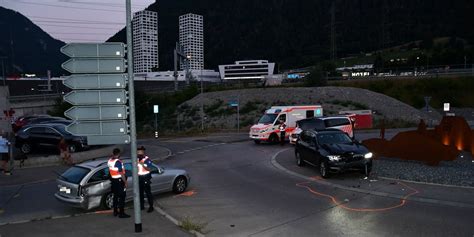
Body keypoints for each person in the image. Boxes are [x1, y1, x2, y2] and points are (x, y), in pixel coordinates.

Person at [108, 148, 130, 218]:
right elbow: (121, 173)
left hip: (114, 181)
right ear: (119, 154)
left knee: (115, 196)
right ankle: (121, 213)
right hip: (119, 181)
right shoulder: (118, 162)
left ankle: (115, 212)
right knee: (122, 197)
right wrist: (125, 182)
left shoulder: (110, 161)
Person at [137, 146, 154, 213]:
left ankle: (151, 207)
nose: (138, 152)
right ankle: (141, 206)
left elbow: (150, 169)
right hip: (139, 178)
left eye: (139, 151)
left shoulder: (147, 159)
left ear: (143, 151)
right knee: (140, 193)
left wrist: (143, 165)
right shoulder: (137, 159)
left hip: (146, 177)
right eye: (137, 151)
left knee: (148, 193)